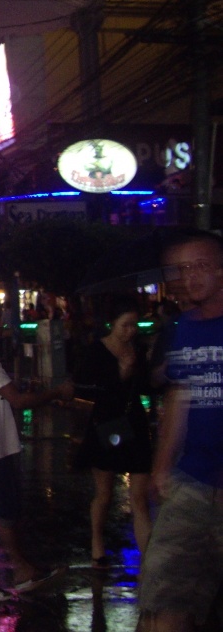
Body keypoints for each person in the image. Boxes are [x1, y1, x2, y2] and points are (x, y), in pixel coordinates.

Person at [0, 294, 74, 601]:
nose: (0, 325)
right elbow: (19, 401)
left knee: (7, 511)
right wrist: (56, 393)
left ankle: (22, 570)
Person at [138, 230, 223, 631]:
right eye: (182, 269)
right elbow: (179, 398)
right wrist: (162, 466)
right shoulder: (183, 328)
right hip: (191, 481)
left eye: (200, 266)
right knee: (164, 597)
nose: (190, 276)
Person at [72, 296, 153, 567]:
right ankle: (97, 541)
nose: (130, 331)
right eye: (125, 325)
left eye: (134, 325)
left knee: (139, 497)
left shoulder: (138, 348)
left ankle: (148, 560)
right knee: (105, 493)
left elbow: (146, 386)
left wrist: (147, 370)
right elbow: (86, 388)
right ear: (112, 324)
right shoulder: (97, 350)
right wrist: (120, 373)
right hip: (108, 422)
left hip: (134, 421)